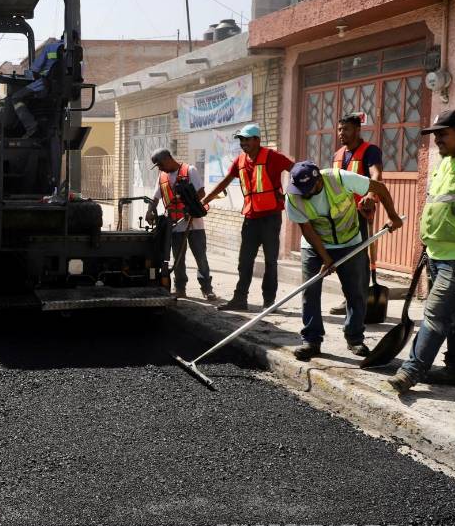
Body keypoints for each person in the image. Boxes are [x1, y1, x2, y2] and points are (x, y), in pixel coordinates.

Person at [389, 110, 455, 392]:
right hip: (438, 252)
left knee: (435, 313)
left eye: (442, 133)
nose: (437, 139)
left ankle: (412, 370)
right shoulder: (446, 162)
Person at [284, 161, 403, 361]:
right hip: (315, 245)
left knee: (356, 291)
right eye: (299, 189)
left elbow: (379, 188)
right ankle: (312, 340)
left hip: (350, 241)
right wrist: (326, 258)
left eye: (308, 189)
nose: (302, 193)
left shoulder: (339, 178)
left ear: (319, 180)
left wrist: (393, 216)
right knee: (310, 290)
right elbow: (306, 229)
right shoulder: (293, 196)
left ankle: (354, 338)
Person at [202, 124, 295, 312]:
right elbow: (224, 182)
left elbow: (297, 170)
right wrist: (204, 200)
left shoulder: (272, 157)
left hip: (270, 218)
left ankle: (269, 302)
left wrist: (291, 195)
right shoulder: (240, 160)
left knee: (270, 262)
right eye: (241, 140)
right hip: (250, 218)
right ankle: (240, 299)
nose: (243, 143)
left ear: (257, 140)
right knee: (244, 261)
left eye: (247, 139)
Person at [330, 113, 384, 316]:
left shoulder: (370, 151)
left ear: (357, 130)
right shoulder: (337, 154)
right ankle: (350, 298)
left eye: (346, 129)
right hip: (340, 216)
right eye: (339, 129)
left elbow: (376, 175)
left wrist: (371, 195)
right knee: (344, 259)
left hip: (360, 213)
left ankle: (359, 302)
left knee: (360, 259)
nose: (341, 133)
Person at [145, 148, 216, 300]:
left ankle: (207, 288)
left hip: (194, 223)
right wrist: (150, 211)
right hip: (175, 225)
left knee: (200, 257)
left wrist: (188, 206)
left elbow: (201, 192)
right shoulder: (162, 176)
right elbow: (155, 198)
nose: (160, 168)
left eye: (160, 164)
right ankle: (180, 288)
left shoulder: (189, 170)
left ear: (168, 159)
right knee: (178, 259)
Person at [8, 36, 64, 138]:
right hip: (66, 90)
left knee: (16, 97)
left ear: (61, 38)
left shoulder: (50, 47)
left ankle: (31, 127)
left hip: (45, 84)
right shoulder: (78, 53)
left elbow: (34, 69)